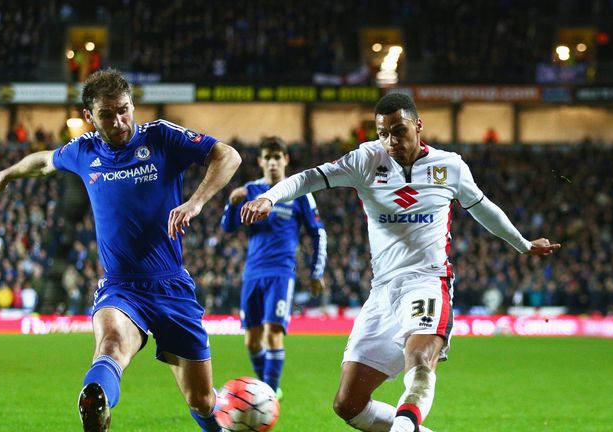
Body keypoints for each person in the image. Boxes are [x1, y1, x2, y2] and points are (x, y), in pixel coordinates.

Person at [240, 93, 560, 432]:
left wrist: (522, 244)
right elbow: (310, 178)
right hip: (383, 291)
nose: (391, 140)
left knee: (420, 362)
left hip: (428, 281)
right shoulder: (365, 160)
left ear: (418, 125)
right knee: (347, 404)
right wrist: (269, 196)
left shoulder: (449, 166)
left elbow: (482, 207)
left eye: (399, 130)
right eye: (382, 133)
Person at [0, 68, 241, 432]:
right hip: (121, 287)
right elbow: (43, 161)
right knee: (111, 344)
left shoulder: (162, 137)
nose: (119, 121)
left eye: (124, 109)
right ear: (90, 117)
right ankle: (96, 401)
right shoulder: (84, 150)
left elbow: (227, 155)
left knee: (201, 400)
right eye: (107, 114)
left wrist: (196, 202)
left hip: (172, 287)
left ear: (133, 105)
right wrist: (6, 174)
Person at [220, 136, 327, 399]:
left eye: (277, 157)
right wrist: (232, 205)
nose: (272, 162)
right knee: (252, 341)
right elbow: (228, 227)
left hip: (281, 272)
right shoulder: (250, 190)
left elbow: (318, 233)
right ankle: (265, 388)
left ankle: (269, 393)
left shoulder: (298, 192)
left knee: (272, 334)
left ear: (285, 160)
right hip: (253, 272)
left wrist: (316, 271)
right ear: (260, 161)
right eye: (267, 157)